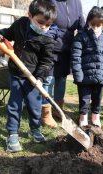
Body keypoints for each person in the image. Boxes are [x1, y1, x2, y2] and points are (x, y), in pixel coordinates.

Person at [0, 0, 57, 152]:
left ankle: (35, 129)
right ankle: (12, 134)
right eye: (40, 22)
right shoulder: (20, 24)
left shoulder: (47, 39)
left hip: (33, 78)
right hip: (16, 74)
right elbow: (7, 33)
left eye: (48, 25)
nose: (43, 27)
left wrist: (40, 79)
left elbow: (46, 62)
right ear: (29, 15)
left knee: (35, 107)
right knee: (14, 105)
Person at [41, 0, 85, 128]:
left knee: (62, 80)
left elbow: (81, 24)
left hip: (67, 50)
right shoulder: (51, 1)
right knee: (49, 80)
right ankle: (45, 113)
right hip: (51, 48)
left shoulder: (77, 3)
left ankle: (57, 109)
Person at [71, 6, 103, 128]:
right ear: (88, 21)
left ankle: (95, 116)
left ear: (102, 24)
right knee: (84, 98)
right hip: (85, 76)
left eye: (99, 25)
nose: (96, 28)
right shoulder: (81, 35)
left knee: (97, 98)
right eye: (93, 24)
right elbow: (76, 57)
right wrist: (78, 75)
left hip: (101, 75)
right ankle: (83, 116)